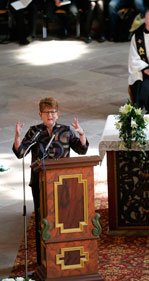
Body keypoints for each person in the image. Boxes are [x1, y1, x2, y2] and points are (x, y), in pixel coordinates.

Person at [12, 97, 89, 265]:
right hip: (39, 182)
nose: (50, 116)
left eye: (53, 112)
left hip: (63, 184)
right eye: (46, 113)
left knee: (63, 218)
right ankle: (42, 259)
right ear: (40, 115)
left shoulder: (66, 131)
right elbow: (21, 153)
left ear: (58, 114)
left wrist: (81, 134)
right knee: (43, 219)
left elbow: (82, 150)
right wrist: (17, 137)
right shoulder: (35, 132)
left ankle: (63, 257)